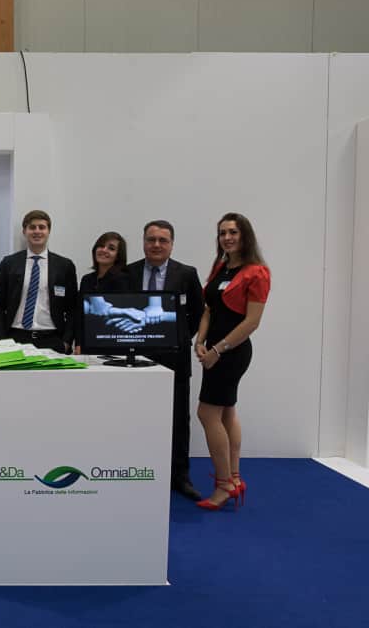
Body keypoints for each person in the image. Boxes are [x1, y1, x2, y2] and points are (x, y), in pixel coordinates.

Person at [194, 213, 270, 510]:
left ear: (245, 235)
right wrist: (200, 341)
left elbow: (252, 322)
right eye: (222, 233)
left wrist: (218, 350)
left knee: (206, 413)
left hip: (232, 352)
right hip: (213, 350)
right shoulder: (221, 267)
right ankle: (234, 478)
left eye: (233, 232)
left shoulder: (257, 272)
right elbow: (209, 310)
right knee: (226, 412)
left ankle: (224, 485)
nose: (227, 238)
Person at [126, 220, 204, 500]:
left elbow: (198, 313)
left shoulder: (187, 274)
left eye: (163, 240)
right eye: (151, 239)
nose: (156, 245)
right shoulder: (128, 272)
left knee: (178, 419)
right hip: (134, 356)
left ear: (172, 244)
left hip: (175, 358)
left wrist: (177, 337)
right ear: (143, 242)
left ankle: (179, 477)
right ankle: (133, 470)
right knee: (133, 416)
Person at [0, 210, 78, 354]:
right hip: (16, 338)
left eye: (42, 227)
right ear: (24, 231)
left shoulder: (64, 266)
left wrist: (67, 341)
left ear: (48, 231)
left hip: (52, 339)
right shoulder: (9, 263)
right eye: (32, 227)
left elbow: (72, 308)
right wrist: (2, 340)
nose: (37, 231)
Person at [75, 232, 131, 353]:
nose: (104, 250)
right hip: (87, 341)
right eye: (101, 246)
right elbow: (79, 315)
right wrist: (79, 343)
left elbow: (118, 316)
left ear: (118, 256)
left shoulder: (122, 280)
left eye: (111, 248)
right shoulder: (87, 279)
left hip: (111, 342)